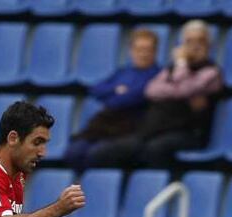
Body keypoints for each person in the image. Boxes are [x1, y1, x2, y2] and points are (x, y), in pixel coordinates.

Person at [88, 20, 223, 168]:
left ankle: (167, 187)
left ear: (209, 45)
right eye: (189, 41)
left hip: (188, 133)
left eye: (201, 41)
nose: (195, 46)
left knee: (154, 150)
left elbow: (184, 89)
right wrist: (178, 89)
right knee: (104, 152)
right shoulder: (170, 68)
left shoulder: (211, 72)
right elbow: (151, 89)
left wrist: (181, 64)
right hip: (155, 130)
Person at [64, 29, 160, 172]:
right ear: (131, 51)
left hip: (132, 129)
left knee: (98, 154)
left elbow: (127, 99)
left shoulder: (158, 75)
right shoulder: (123, 72)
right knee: (73, 152)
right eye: (139, 49)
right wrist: (115, 90)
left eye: (148, 50)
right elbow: (96, 89)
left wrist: (116, 93)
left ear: (155, 52)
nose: (143, 54)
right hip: (105, 126)